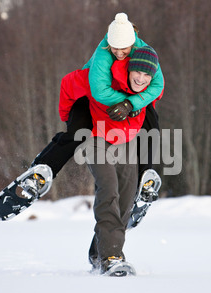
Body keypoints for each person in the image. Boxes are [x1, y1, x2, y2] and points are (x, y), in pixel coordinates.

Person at [59, 46, 163, 274]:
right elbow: (68, 84)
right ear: (128, 69)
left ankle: (98, 252)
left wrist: (131, 104)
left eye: (147, 75)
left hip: (124, 142)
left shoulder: (148, 91)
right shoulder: (102, 76)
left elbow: (154, 100)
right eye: (138, 72)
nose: (141, 79)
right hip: (95, 138)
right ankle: (111, 257)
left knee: (126, 198)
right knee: (109, 189)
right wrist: (70, 121)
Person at [30, 13, 163, 186]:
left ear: (133, 43)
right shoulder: (104, 53)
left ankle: (145, 176)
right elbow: (99, 91)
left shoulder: (144, 51)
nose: (119, 53)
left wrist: (132, 103)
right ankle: (42, 170)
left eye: (124, 49)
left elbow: (158, 84)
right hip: (90, 98)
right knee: (78, 133)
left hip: (128, 98)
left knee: (151, 124)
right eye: (115, 48)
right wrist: (128, 103)